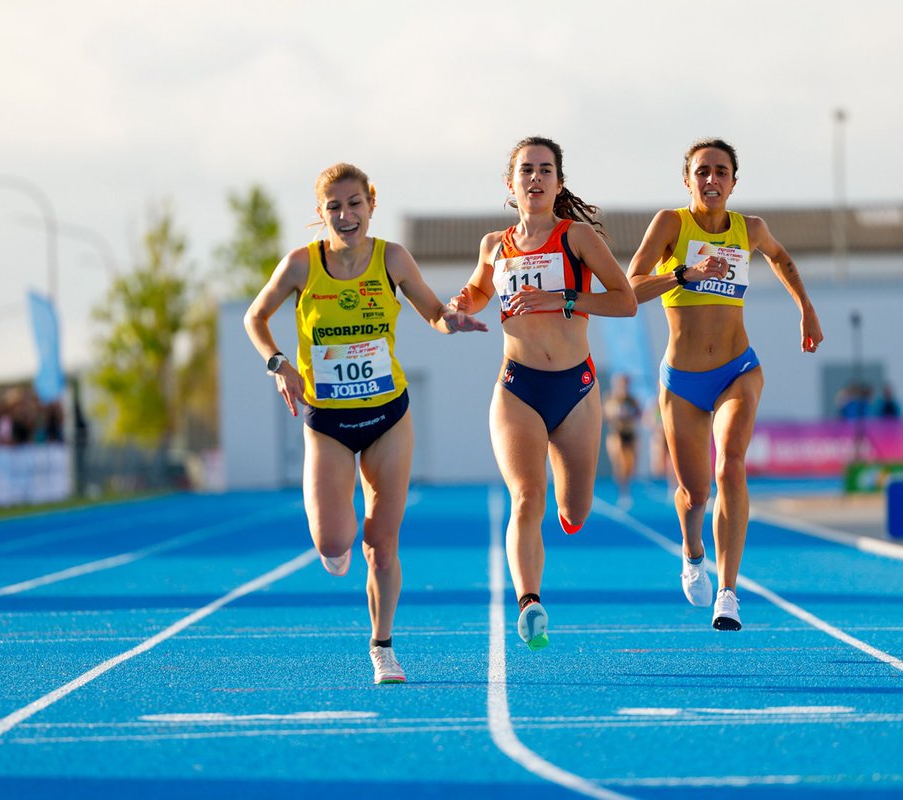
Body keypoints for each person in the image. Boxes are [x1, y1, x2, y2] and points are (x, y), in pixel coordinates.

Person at [243, 163, 486, 684]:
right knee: (334, 543)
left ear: (371, 204)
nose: (346, 215)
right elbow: (254, 317)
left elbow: (432, 314)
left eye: (354, 204)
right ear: (321, 213)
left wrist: (453, 320)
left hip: (387, 416)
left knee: (382, 543)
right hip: (327, 420)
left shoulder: (392, 258)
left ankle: (382, 646)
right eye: (334, 206)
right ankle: (337, 543)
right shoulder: (301, 265)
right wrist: (278, 364)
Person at [448, 136, 636, 651]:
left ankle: (567, 505)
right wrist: (460, 305)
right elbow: (477, 294)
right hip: (518, 388)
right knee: (525, 497)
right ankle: (530, 602)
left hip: (575, 390)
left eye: (545, 170)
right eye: (526, 170)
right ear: (510, 184)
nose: (535, 178)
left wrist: (563, 298)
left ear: (558, 182)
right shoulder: (495, 245)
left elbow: (625, 302)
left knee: (574, 511)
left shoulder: (576, 238)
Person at [627, 138, 822, 631]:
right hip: (683, 383)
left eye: (721, 172)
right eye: (702, 171)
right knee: (694, 493)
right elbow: (630, 286)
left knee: (731, 466)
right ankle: (693, 553)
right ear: (687, 180)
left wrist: (806, 308)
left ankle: (728, 591)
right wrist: (684, 274)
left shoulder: (749, 229)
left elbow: (782, 259)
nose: (711, 179)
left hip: (738, 369)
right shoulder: (671, 224)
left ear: (734, 181)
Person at [603, 373, 642, 509]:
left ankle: (626, 487)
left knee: (629, 464)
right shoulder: (612, 398)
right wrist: (617, 413)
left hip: (630, 433)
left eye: (626, 383)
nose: (624, 386)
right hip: (616, 433)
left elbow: (639, 414)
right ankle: (622, 491)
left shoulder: (632, 399)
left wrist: (631, 414)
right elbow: (607, 414)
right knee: (619, 462)